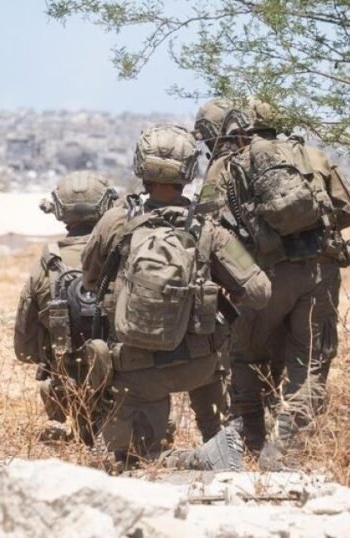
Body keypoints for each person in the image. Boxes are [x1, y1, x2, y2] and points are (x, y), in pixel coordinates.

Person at [81, 124, 271, 468]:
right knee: (217, 401)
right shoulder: (209, 229)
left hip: (136, 367)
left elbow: (90, 280)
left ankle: (186, 460)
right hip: (200, 364)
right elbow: (259, 292)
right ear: (188, 171)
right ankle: (217, 446)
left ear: (141, 167)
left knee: (136, 460)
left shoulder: (114, 222)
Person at [217, 99, 350, 464]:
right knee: (309, 363)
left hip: (263, 276)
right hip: (318, 274)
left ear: (243, 130)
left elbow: (215, 230)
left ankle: (249, 441)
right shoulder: (313, 157)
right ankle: (283, 449)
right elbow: (347, 211)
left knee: (245, 358)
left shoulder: (231, 165)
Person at [13, 170, 119, 445]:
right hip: (128, 385)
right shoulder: (123, 256)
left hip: (71, 388)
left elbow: (24, 349)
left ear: (59, 210)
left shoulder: (45, 267)